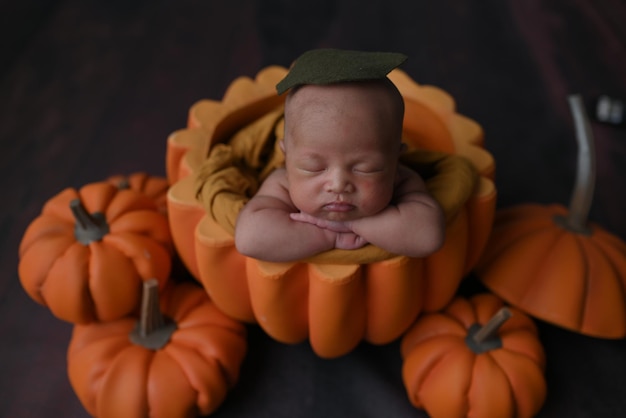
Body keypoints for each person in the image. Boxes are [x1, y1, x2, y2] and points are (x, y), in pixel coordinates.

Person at [234, 49, 445, 262]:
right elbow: (249, 239)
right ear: (286, 157)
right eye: (313, 167)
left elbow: (427, 237)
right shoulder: (283, 182)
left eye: (365, 169)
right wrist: (328, 235)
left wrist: (353, 224)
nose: (338, 184)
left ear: (395, 160)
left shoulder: (400, 179)